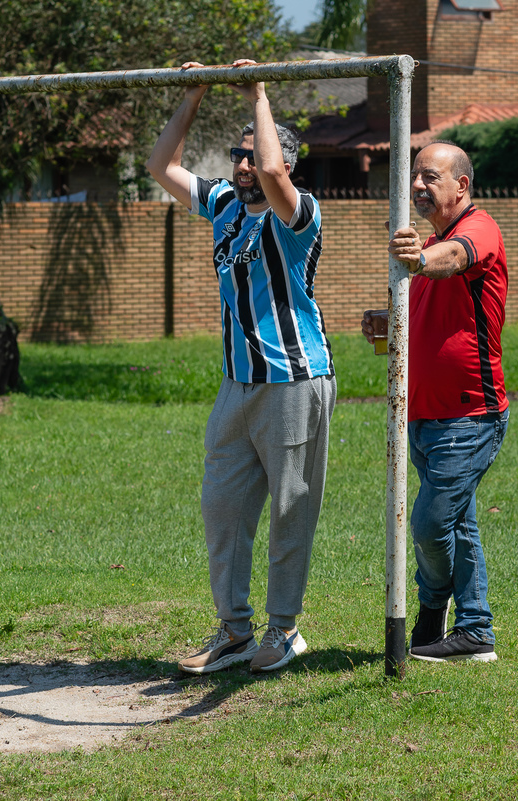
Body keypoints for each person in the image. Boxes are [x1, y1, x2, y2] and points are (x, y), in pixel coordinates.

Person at [146, 59, 337, 674]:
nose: (244, 165)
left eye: (253, 155)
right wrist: (193, 93)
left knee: (290, 510)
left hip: (294, 381)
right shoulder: (225, 205)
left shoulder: (299, 214)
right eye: (238, 154)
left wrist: (259, 93)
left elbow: (276, 172)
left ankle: (283, 629)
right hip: (237, 385)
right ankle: (233, 631)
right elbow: (161, 166)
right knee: (223, 508)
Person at [360, 142, 509, 663]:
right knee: (458, 524)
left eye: (430, 176)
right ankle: (473, 630)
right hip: (422, 418)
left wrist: (420, 259)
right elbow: (427, 318)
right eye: (415, 177)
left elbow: (455, 259)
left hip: (470, 416)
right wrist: (386, 322)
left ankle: (433, 610)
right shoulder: (432, 245)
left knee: (427, 523)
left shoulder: (476, 230)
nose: (418, 186)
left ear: (461, 185)